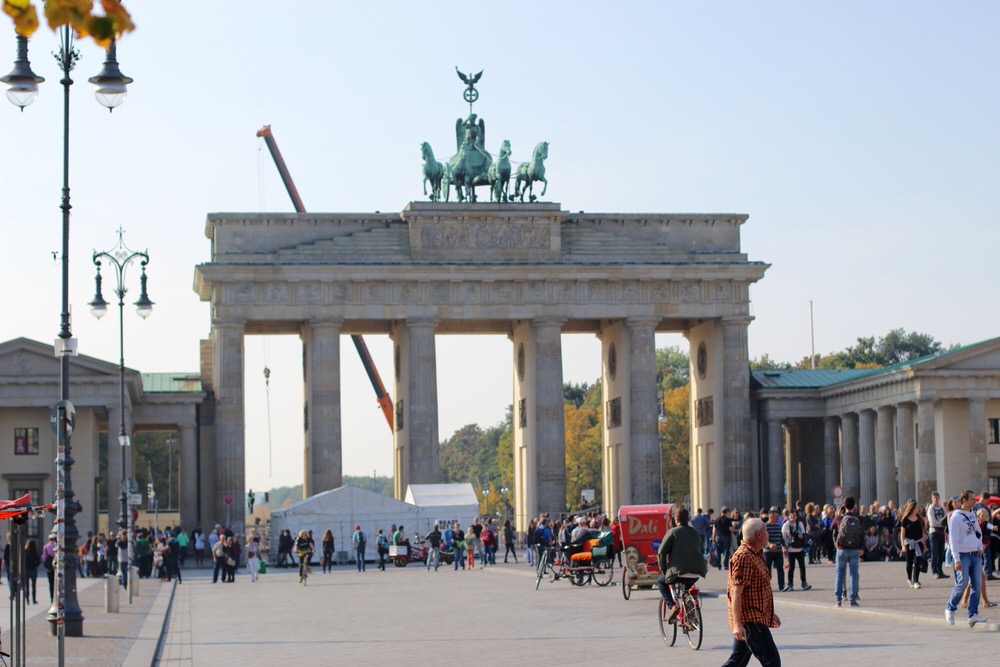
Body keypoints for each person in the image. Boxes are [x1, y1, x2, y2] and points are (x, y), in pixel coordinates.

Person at [722, 517, 782, 667]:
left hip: (756, 616)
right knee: (772, 662)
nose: (768, 533)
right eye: (766, 530)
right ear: (759, 535)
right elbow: (736, 592)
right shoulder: (744, 557)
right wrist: (737, 624)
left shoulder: (756, 553)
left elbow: (758, 589)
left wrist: (769, 612)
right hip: (750, 619)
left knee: (737, 662)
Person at [656, 507, 708, 623]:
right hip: (697, 571)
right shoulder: (696, 533)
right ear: (688, 518)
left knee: (661, 582)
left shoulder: (672, 533)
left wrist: (664, 570)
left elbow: (661, 553)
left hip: (678, 572)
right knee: (686, 590)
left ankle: (673, 606)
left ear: (676, 519)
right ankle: (690, 614)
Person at [945, 490, 989, 626]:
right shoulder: (956, 517)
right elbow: (953, 539)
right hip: (963, 556)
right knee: (962, 584)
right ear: (964, 501)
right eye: (971, 499)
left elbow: (978, 532)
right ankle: (950, 608)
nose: (974, 502)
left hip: (975, 555)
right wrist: (956, 559)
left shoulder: (973, 514)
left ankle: (973, 614)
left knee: (977, 584)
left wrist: (979, 547)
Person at [833, 496, 865, 607]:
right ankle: (853, 600)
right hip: (855, 549)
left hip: (841, 549)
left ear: (844, 506)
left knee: (840, 574)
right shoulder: (858, 519)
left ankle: (838, 600)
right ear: (854, 506)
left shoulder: (839, 519)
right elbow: (862, 535)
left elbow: (831, 530)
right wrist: (862, 548)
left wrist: (836, 544)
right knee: (854, 574)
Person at [897, 499, 927, 589]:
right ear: (912, 508)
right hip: (909, 543)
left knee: (917, 561)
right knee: (909, 562)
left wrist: (924, 545)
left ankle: (916, 581)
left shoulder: (920, 519)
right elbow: (902, 534)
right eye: (917, 507)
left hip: (919, 543)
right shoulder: (905, 520)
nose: (919, 509)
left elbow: (923, 533)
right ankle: (909, 578)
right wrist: (903, 545)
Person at [781, 509, 811, 591]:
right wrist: (784, 549)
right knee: (791, 568)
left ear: (796, 516)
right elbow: (784, 538)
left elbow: (804, 534)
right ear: (789, 516)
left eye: (794, 515)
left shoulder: (800, 524)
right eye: (791, 515)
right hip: (791, 549)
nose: (793, 517)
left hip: (800, 549)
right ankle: (790, 584)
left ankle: (804, 583)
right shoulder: (786, 526)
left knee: (802, 567)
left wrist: (802, 536)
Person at [926, 492, 948, 578]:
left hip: (942, 532)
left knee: (941, 553)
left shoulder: (942, 509)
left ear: (939, 498)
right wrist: (942, 523)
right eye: (934, 498)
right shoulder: (931, 509)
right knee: (934, 553)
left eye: (937, 498)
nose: (935, 499)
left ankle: (940, 571)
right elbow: (932, 522)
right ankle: (934, 571)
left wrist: (942, 524)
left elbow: (947, 518)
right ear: (932, 499)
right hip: (934, 532)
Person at [762, 508, 785, 592]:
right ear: (770, 517)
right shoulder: (765, 526)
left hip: (778, 551)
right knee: (767, 570)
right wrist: (769, 544)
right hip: (768, 552)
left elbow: (781, 538)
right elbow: (764, 539)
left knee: (780, 569)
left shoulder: (778, 526)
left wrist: (784, 547)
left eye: (777, 517)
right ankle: (766, 587)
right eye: (776, 517)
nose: (777, 518)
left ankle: (782, 586)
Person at [22, 539, 39, 604]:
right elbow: (38, 561)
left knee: (27, 585)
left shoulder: (25, 552)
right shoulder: (34, 552)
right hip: (33, 570)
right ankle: (34, 600)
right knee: (33, 585)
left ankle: (27, 599)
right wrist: (35, 565)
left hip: (26, 570)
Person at [42, 534, 57, 601]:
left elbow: (44, 558)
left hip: (49, 567)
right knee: (56, 582)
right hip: (56, 566)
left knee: (51, 583)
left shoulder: (46, 546)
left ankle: (52, 597)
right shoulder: (56, 545)